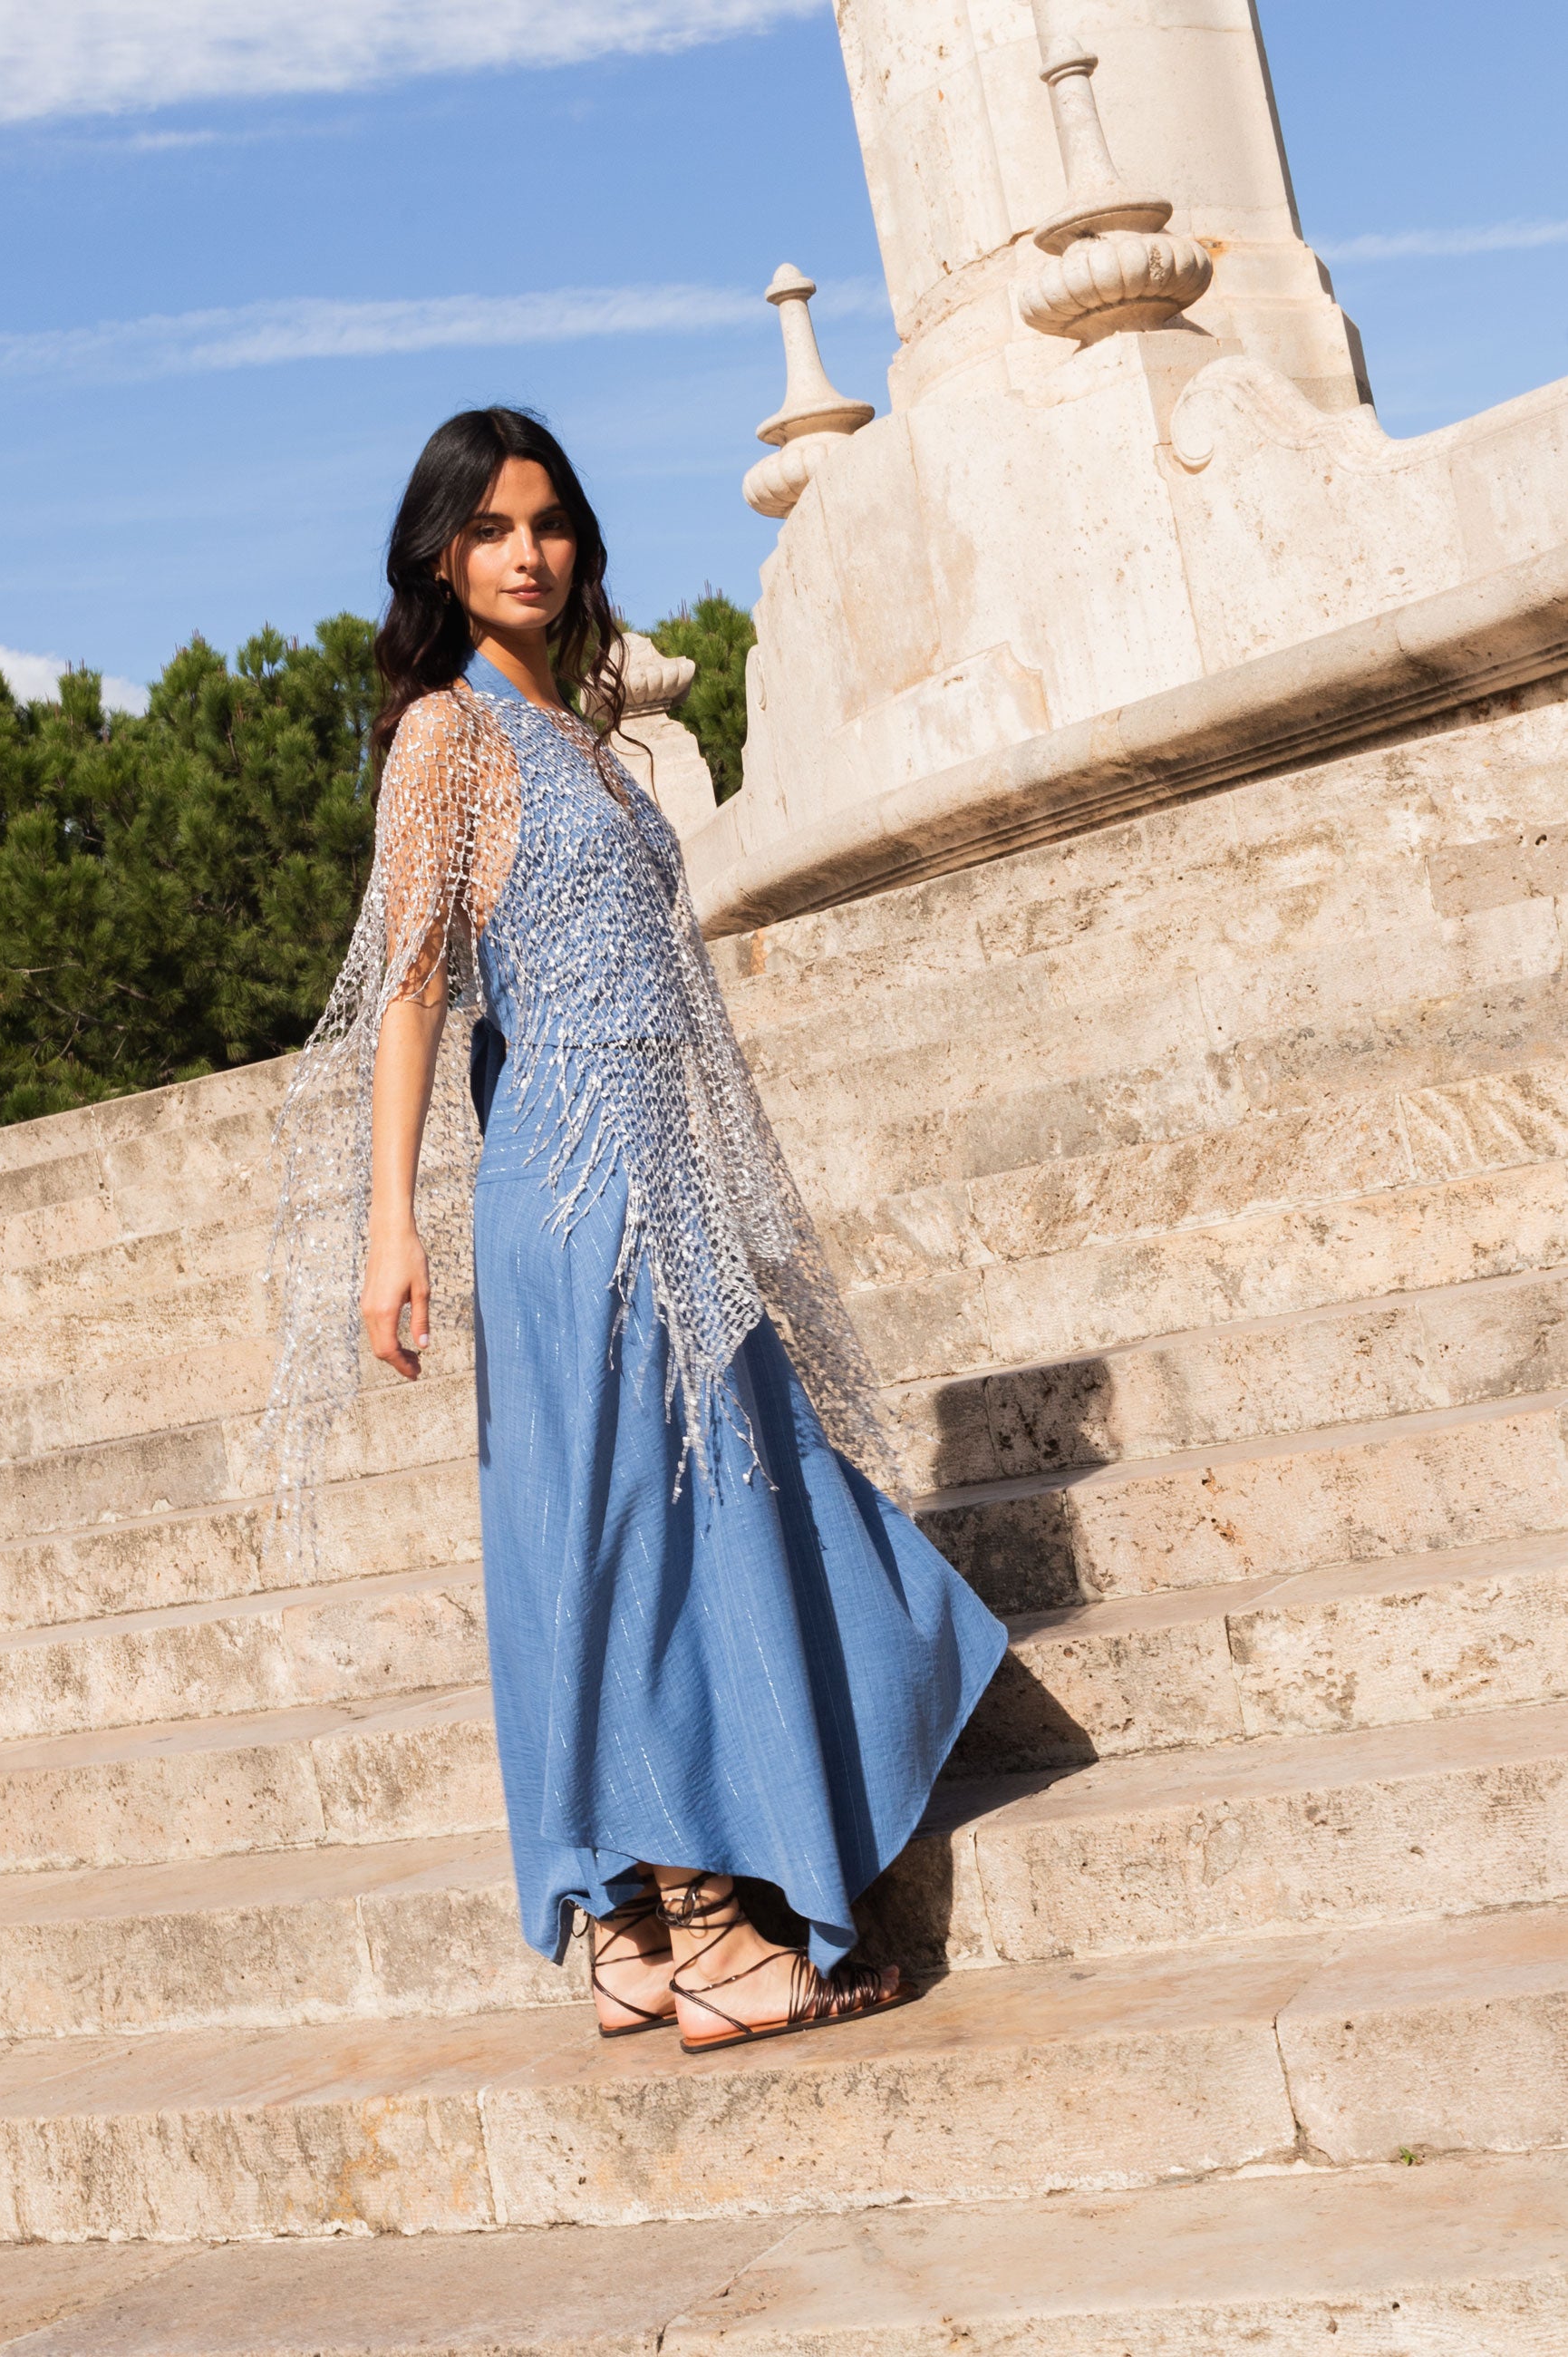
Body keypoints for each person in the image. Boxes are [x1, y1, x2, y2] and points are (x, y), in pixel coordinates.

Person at [266, 405, 1006, 2053]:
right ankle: (715, 1933)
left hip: (656, 1181)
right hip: (577, 1187)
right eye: (490, 530)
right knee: (653, 1538)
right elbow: (412, 988)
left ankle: (628, 1934)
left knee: (643, 1533)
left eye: (548, 523)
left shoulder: (584, 736)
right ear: (437, 560)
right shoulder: (448, 737)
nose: (527, 554)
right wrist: (392, 1227)